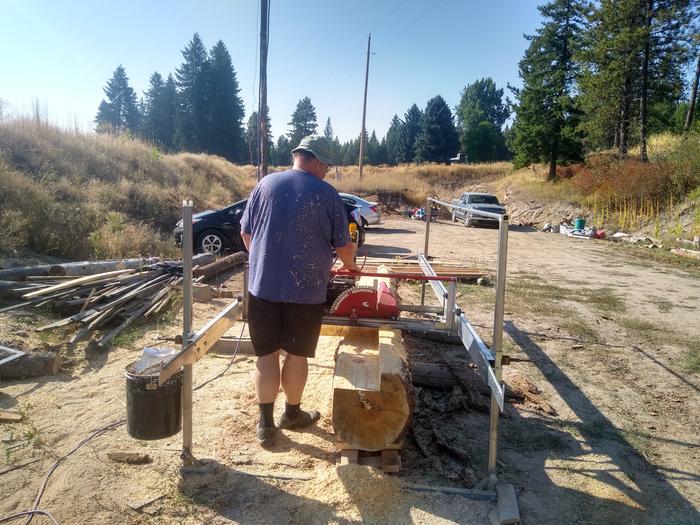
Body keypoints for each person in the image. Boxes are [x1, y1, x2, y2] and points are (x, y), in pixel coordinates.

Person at [240, 135, 359, 447]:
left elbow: (246, 232)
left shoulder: (265, 185)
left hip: (262, 288)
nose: (326, 172)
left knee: (265, 358)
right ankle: (291, 415)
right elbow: (344, 248)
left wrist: (262, 261)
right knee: (296, 355)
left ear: (298, 156)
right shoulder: (327, 194)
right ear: (318, 161)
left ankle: (265, 426)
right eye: (327, 166)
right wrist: (352, 266)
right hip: (306, 292)